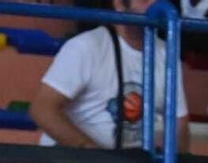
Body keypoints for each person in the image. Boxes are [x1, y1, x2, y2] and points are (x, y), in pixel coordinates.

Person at [31, 0, 192, 153]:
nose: (155, 4)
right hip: (73, 162)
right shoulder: (86, 47)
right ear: (119, 4)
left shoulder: (166, 53)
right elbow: (42, 110)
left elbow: (179, 123)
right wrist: (92, 152)